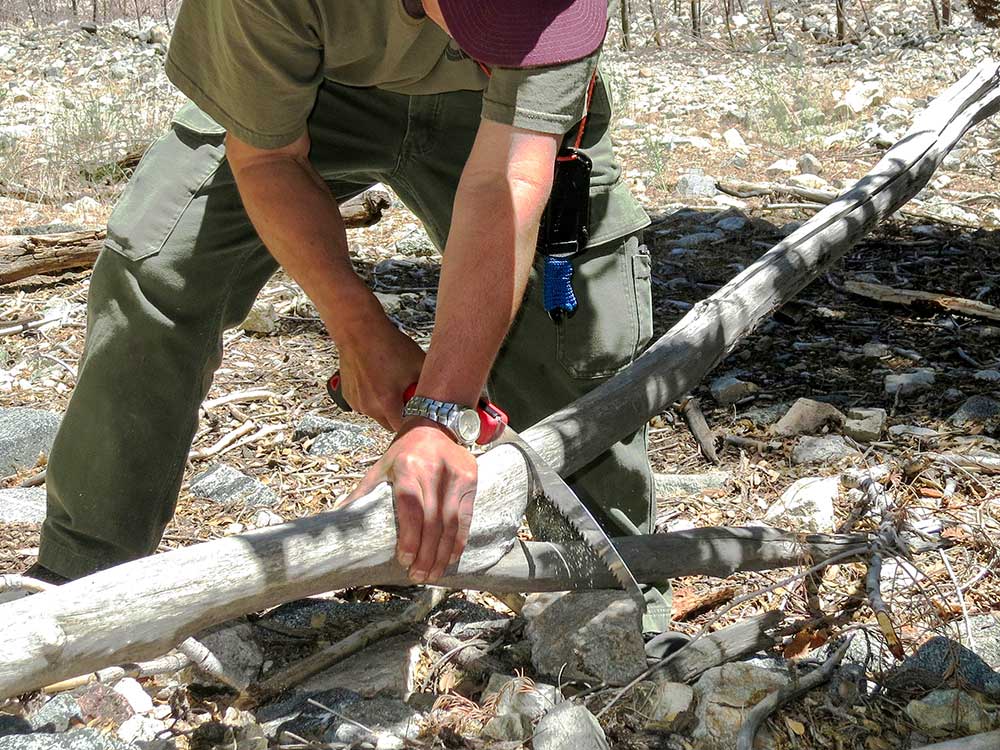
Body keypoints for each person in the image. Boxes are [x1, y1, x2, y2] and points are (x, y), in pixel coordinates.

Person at [29, 0, 670, 631]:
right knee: (157, 268)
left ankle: (609, 601)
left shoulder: (554, 12)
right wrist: (359, 331)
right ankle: (74, 596)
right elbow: (267, 160)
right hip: (310, 86)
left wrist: (441, 412)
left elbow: (509, 181)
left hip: (499, 104)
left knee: (581, 304)